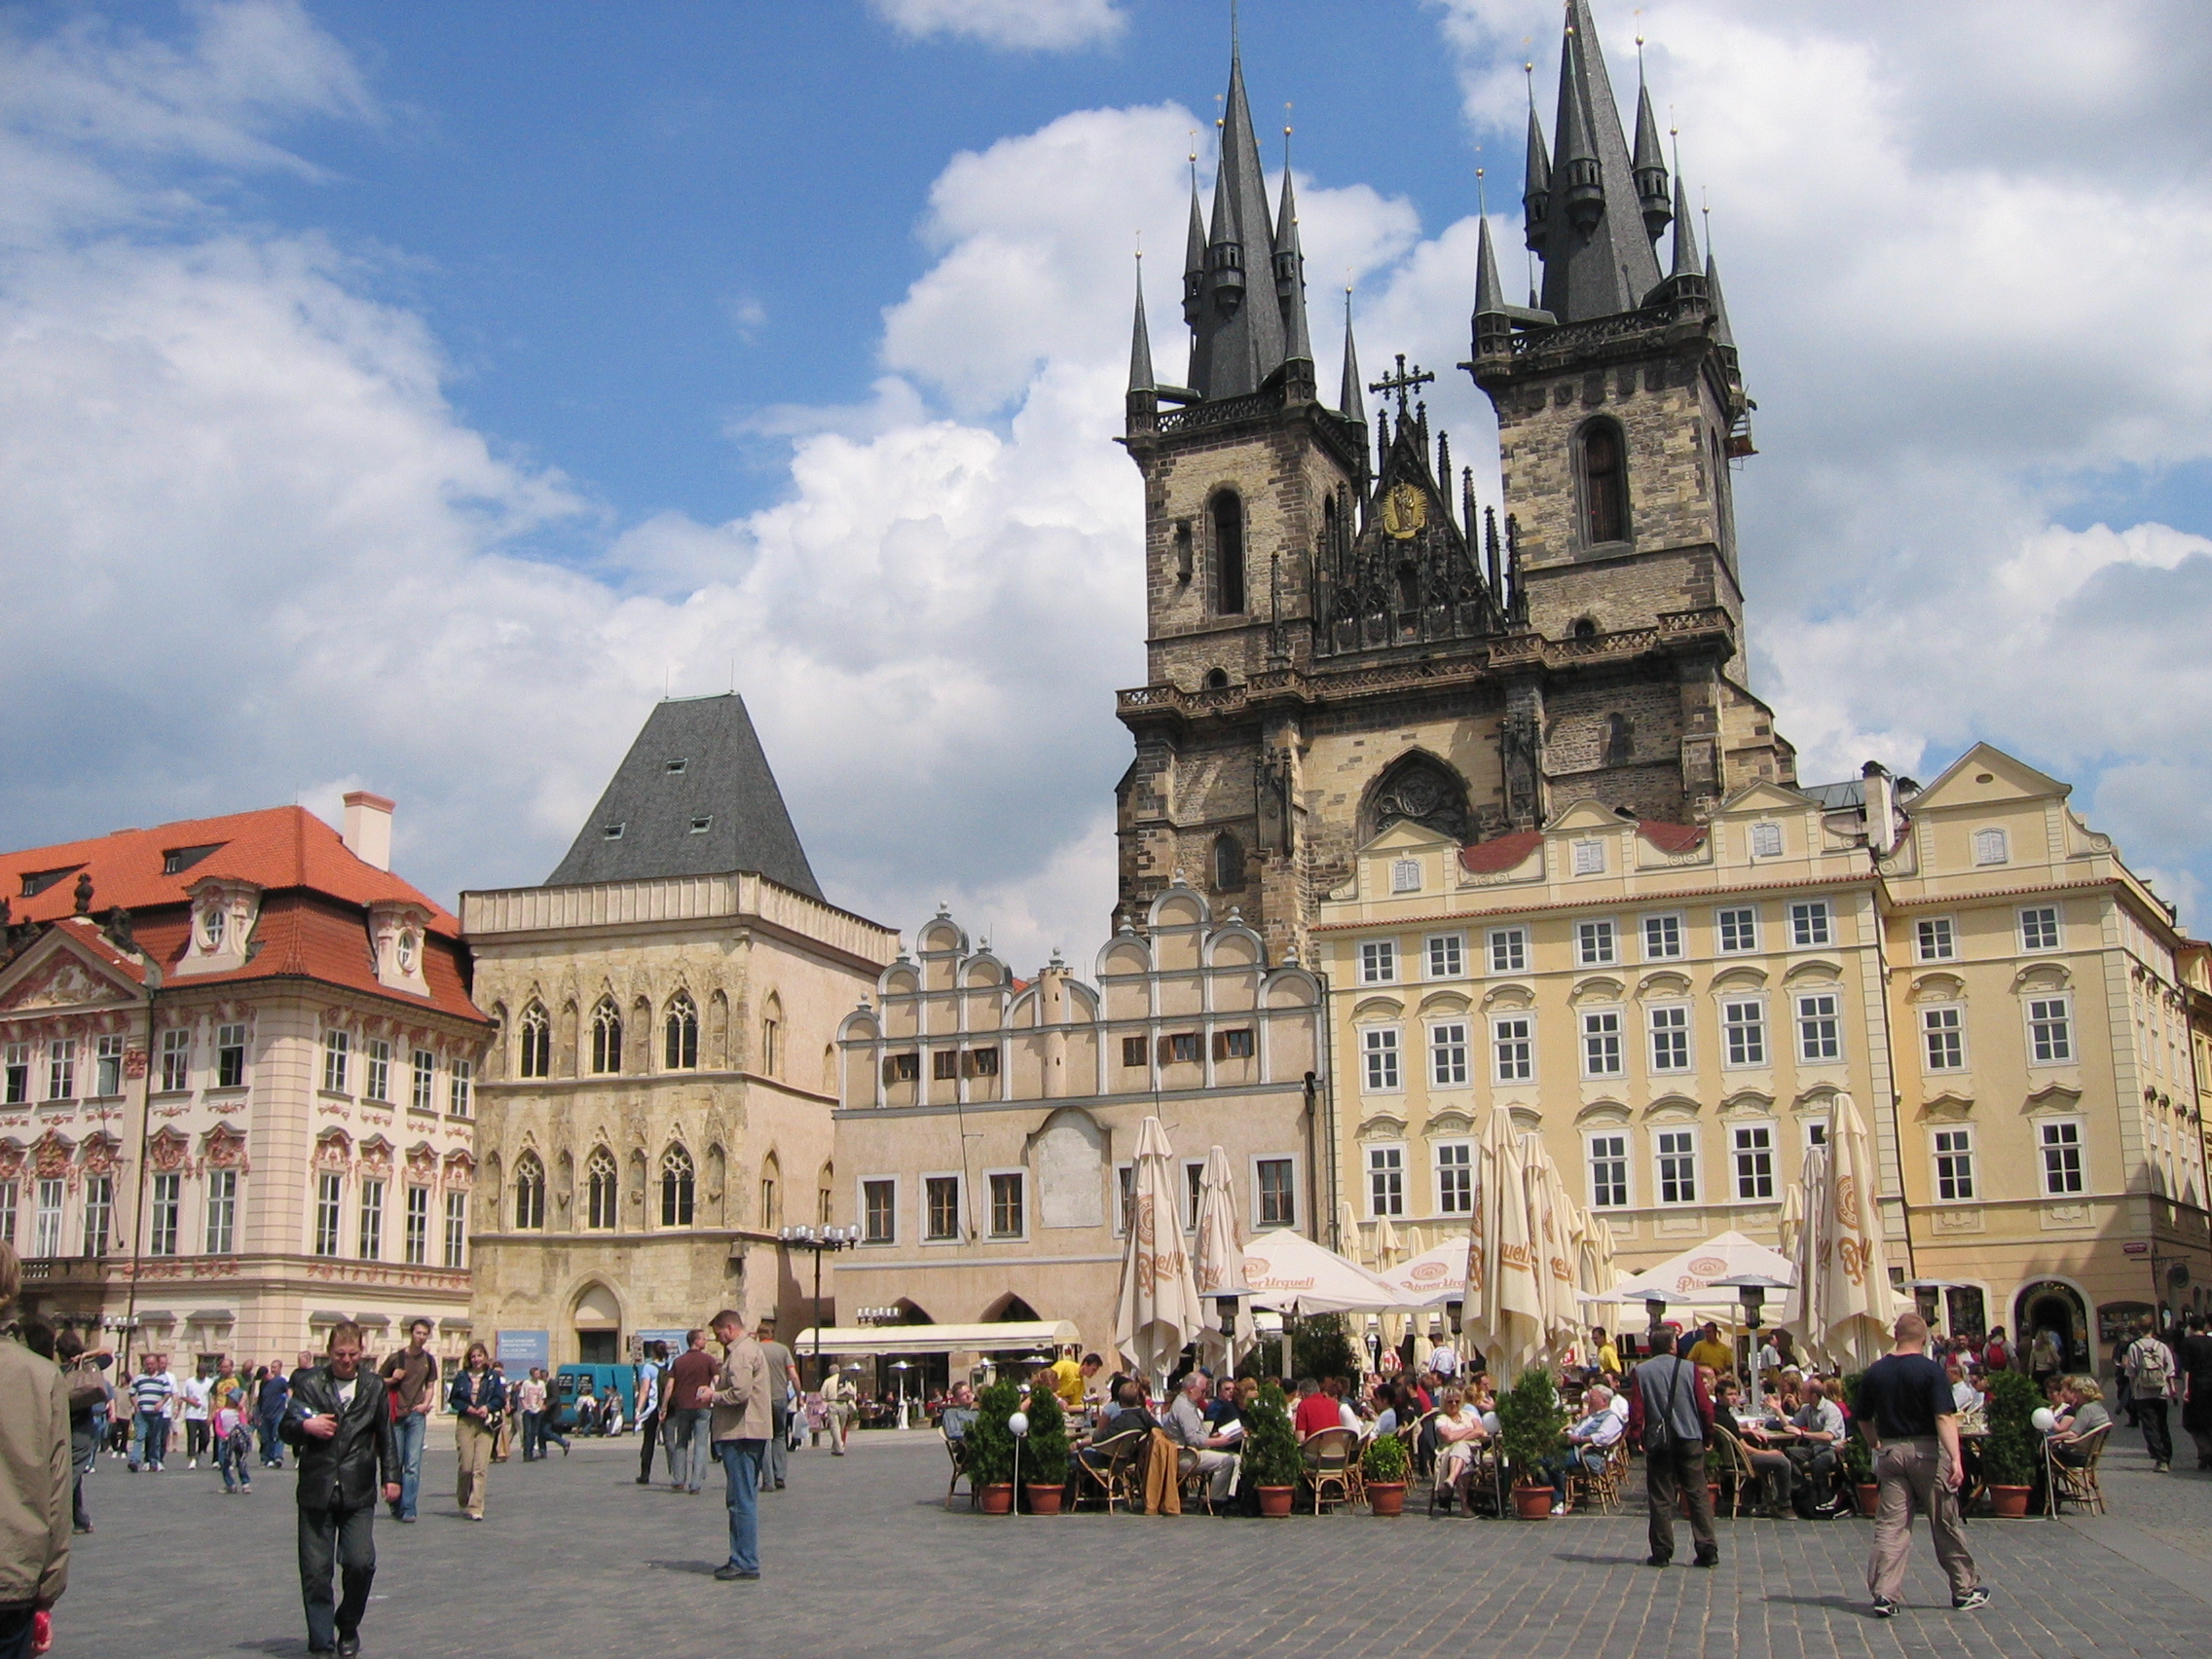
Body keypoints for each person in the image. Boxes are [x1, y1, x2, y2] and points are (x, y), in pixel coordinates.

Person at [281, 1321, 402, 1659]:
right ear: (328, 1352)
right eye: (339, 1355)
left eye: (352, 1355)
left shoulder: (373, 1386)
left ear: (361, 1352)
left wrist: (391, 1477)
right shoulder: (309, 1383)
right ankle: (321, 1642)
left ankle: (347, 1624)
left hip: (357, 1486)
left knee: (361, 1561)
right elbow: (285, 1428)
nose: (346, 1361)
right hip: (317, 1486)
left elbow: (385, 1433)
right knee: (316, 1571)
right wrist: (307, 1425)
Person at [1854, 1310, 1986, 1617]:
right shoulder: (1930, 1371)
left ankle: (1885, 1594)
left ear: (1895, 1335)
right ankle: (1964, 1589)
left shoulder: (1876, 1371)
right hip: (1927, 1451)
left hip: (1891, 1451)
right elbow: (1943, 1416)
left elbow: (1861, 1417)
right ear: (1924, 1338)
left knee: (1891, 1527)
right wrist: (1956, 1458)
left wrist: (1875, 1442)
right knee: (1944, 1521)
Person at [1625, 1331, 1718, 1569]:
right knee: (1697, 1494)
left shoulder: (1642, 1372)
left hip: (1659, 1441)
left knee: (1660, 1496)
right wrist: (1708, 1433)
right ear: (1672, 1345)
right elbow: (1704, 1405)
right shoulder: (1689, 1369)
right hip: (1689, 1437)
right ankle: (1707, 1547)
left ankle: (1662, 1550)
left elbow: (1637, 1409)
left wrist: (1637, 1436)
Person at [707, 1309, 771, 1582]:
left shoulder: (741, 1353)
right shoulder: (746, 1350)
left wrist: (713, 1395)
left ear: (730, 1328)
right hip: (746, 1431)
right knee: (739, 1498)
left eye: (719, 1334)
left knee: (741, 1499)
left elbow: (740, 1392)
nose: (718, 1339)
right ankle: (740, 1557)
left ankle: (745, 1560)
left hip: (742, 1433)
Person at [375, 1318, 439, 1522]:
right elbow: (376, 1382)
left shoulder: (429, 1360)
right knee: (396, 1462)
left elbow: (430, 1385)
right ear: (411, 1334)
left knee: (413, 1463)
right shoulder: (396, 1358)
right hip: (396, 1415)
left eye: (424, 1334)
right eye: (418, 1333)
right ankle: (395, 1503)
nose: (420, 1337)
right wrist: (392, 1379)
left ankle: (409, 1507)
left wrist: (426, 1404)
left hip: (416, 1415)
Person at [1712, 1378, 1795, 1518]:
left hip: (1727, 1458)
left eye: (1735, 1394)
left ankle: (1764, 1501)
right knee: (1782, 1462)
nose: (1734, 1398)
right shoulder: (1726, 1418)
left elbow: (1732, 1432)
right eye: (1730, 1394)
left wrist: (1747, 1431)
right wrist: (1768, 1453)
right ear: (1719, 1396)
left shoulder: (1718, 1413)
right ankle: (1784, 1505)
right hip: (1739, 1460)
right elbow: (1745, 1448)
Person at [1541, 1383, 1625, 1515]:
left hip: (1587, 1453)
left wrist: (1579, 1440)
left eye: (1592, 1398)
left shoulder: (1611, 1418)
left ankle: (1559, 1499)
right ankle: (1552, 1494)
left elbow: (1602, 1437)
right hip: (1572, 1446)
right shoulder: (1592, 1416)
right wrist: (1567, 1435)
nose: (1589, 1400)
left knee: (1553, 1461)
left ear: (1604, 1401)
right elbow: (1576, 1429)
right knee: (1542, 1458)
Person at [52, 1334, 104, 1536]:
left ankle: (70, 1519)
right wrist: (85, 1355)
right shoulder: (85, 1366)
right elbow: (107, 1354)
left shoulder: (56, 1371)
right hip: (82, 1429)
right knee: (73, 1476)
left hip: (63, 1427)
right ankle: (78, 1519)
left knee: (70, 1475)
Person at [1163, 1372, 1237, 1505]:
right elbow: (1193, 1439)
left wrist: (1212, 1436)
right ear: (1192, 1389)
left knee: (1235, 1458)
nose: (1204, 1395)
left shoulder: (1188, 1403)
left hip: (1190, 1450)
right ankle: (1216, 1500)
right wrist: (1218, 1442)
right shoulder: (1184, 1407)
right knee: (1228, 1461)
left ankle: (1226, 1496)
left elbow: (1196, 1433)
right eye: (1202, 1391)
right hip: (1186, 1455)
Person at [448, 1342, 502, 1521]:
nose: (476, 1359)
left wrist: (487, 1407)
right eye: (473, 1356)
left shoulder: (492, 1377)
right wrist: (467, 1408)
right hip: (466, 1422)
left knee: (480, 1467)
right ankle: (463, 1499)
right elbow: (454, 1399)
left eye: (479, 1356)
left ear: (485, 1358)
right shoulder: (462, 1376)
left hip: (485, 1424)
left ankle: (476, 1506)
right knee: (466, 1466)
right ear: (469, 1359)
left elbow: (500, 1398)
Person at [2121, 1318, 2178, 1474]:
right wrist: (2171, 1387)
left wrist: (2133, 1391)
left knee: (2149, 1425)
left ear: (2139, 1329)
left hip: (2142, 1392)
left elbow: (2131, 1371)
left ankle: (2159, 1459)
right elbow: (2170, 1368)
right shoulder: (2162, 1346)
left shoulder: (2134, 1347)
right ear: (2153, 1329)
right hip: (2161, 1391)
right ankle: (2167, 1456)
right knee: (2162, 1424)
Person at [665, 1331, 717, 1493]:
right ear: (695, 1341)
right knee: (701, 1445)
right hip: (702, 1406)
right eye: (703, 1338)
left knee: (681, 1443)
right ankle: (695, 1484)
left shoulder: (678, 1361)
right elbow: (717, 1380)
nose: (706, 1340)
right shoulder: (708, 1360)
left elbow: (669, 1386)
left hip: (682, 1406)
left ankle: (679, 1479)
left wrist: (664, 1406)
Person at [755, 1319, 799, 1493]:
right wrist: (799, 1395)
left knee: (764, 1438)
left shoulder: (755, 1350)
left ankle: (768, 1480)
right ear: (772, 1333)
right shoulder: (783, 1349)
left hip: (761, 1398)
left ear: (759, 1334)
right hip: (780, 1397)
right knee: (780, 1436)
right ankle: (780, 1474)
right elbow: (793, 1375)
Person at [2179, 1312, 2212, 1471]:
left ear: (2191, 1328)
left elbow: (2186, 1368)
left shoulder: (2187, 1343)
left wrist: (2185, 1389)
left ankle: (2205, 1450)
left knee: (2191, 1421)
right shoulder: (2211, 1341)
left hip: (2196, 1384)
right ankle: (2207, 1453)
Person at [635, 1342, 669, 1485]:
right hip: (668, 1406)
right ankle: (677, 1474)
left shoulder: (649, 1367)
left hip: (653, 1407)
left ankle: (645, 1474)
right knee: (671, 1441)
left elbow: (644, 1390)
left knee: (648, 1441)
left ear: (653, 1352)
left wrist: (639, 1410)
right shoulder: (671, 1365)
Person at [212, 1395, 252, 1495]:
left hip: (238, 1439)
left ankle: (245, 1483)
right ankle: (230, 1484)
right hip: (226, 1439)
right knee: (224, 1462)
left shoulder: (239, 1412)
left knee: (241, 1461)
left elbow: (244, 1424)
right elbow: (218, 1426)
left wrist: (239, 1433)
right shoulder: (221, 1412)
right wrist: (224, 1435)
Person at [257, 1363, 290, 1468]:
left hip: (278, 1412)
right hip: (266, 1414)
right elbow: (260, 1400)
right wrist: (258, 1414)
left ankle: (278, 1457)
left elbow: (289, 1390)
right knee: (267, 1437)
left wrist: (289, 1402)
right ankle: (268, 1458)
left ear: (266, 1374)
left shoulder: (280, 1381)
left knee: (277, 1435)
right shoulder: (263, 1384)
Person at [179, 1367, 212, 1470]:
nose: (202, 1375)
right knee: (192, 1437)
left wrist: (210, 1415)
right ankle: (192, 1458)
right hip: (191, 1415)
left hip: (204, 1414)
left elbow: (212, 1399)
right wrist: (192, 1401)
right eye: (201, 1373)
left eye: (204, 1373)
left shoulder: (210, 1382)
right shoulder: (190, 1381)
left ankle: (200, 1452)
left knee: (206, 1437)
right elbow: (183, 1396)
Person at [821, 1366, 857, 1456]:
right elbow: (852, 1391)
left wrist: (827, 1399)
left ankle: (839, 1447)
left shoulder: (828, 1381)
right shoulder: (844, 1380)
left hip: (832, 1403)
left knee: (834, 1427)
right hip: (843, 1404)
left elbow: (822, 1394)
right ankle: (836, 1447)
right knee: (841, 1426)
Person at [514, 1369, 547, 1461]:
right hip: (528, 1410)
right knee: (527, 1432)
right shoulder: (526, 1383)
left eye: (538, 1373)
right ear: (532, 1375)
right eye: (536, 1373)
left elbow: (542, 1397)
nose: (538, 1375)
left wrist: (539, 1407)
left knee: (534, 1432)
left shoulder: (541, 1384)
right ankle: (526, 1454)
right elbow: (522, 1397)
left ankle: (531, 1453)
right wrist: (526, 1407)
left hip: (537, 1410)